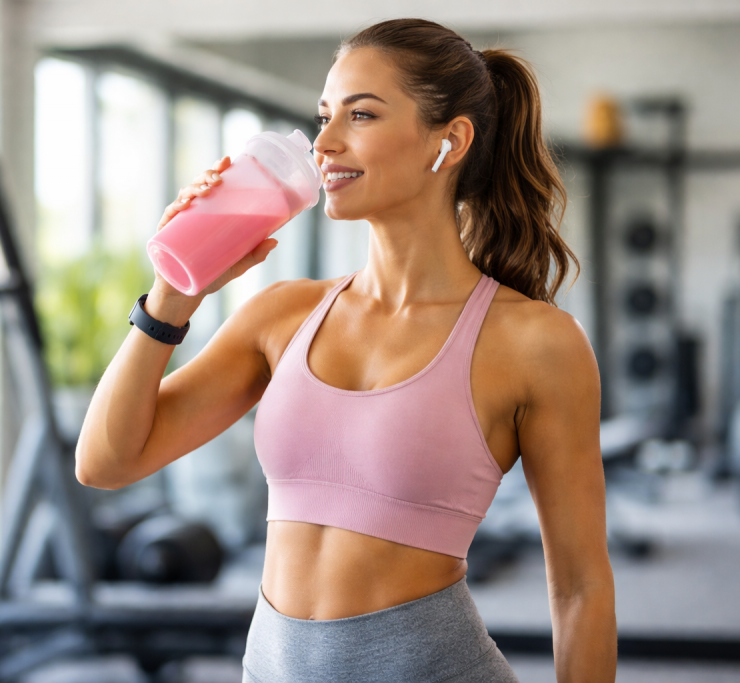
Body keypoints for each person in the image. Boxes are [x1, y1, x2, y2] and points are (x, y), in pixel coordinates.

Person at [76, 17, 616, 683]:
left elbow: (581, 588)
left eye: (360, 115)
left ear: (449, 141)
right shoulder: (283, 314)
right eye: (324, 116)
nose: (325, 143)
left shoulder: (534, 341)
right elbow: (104, 461)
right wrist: (172, 294)